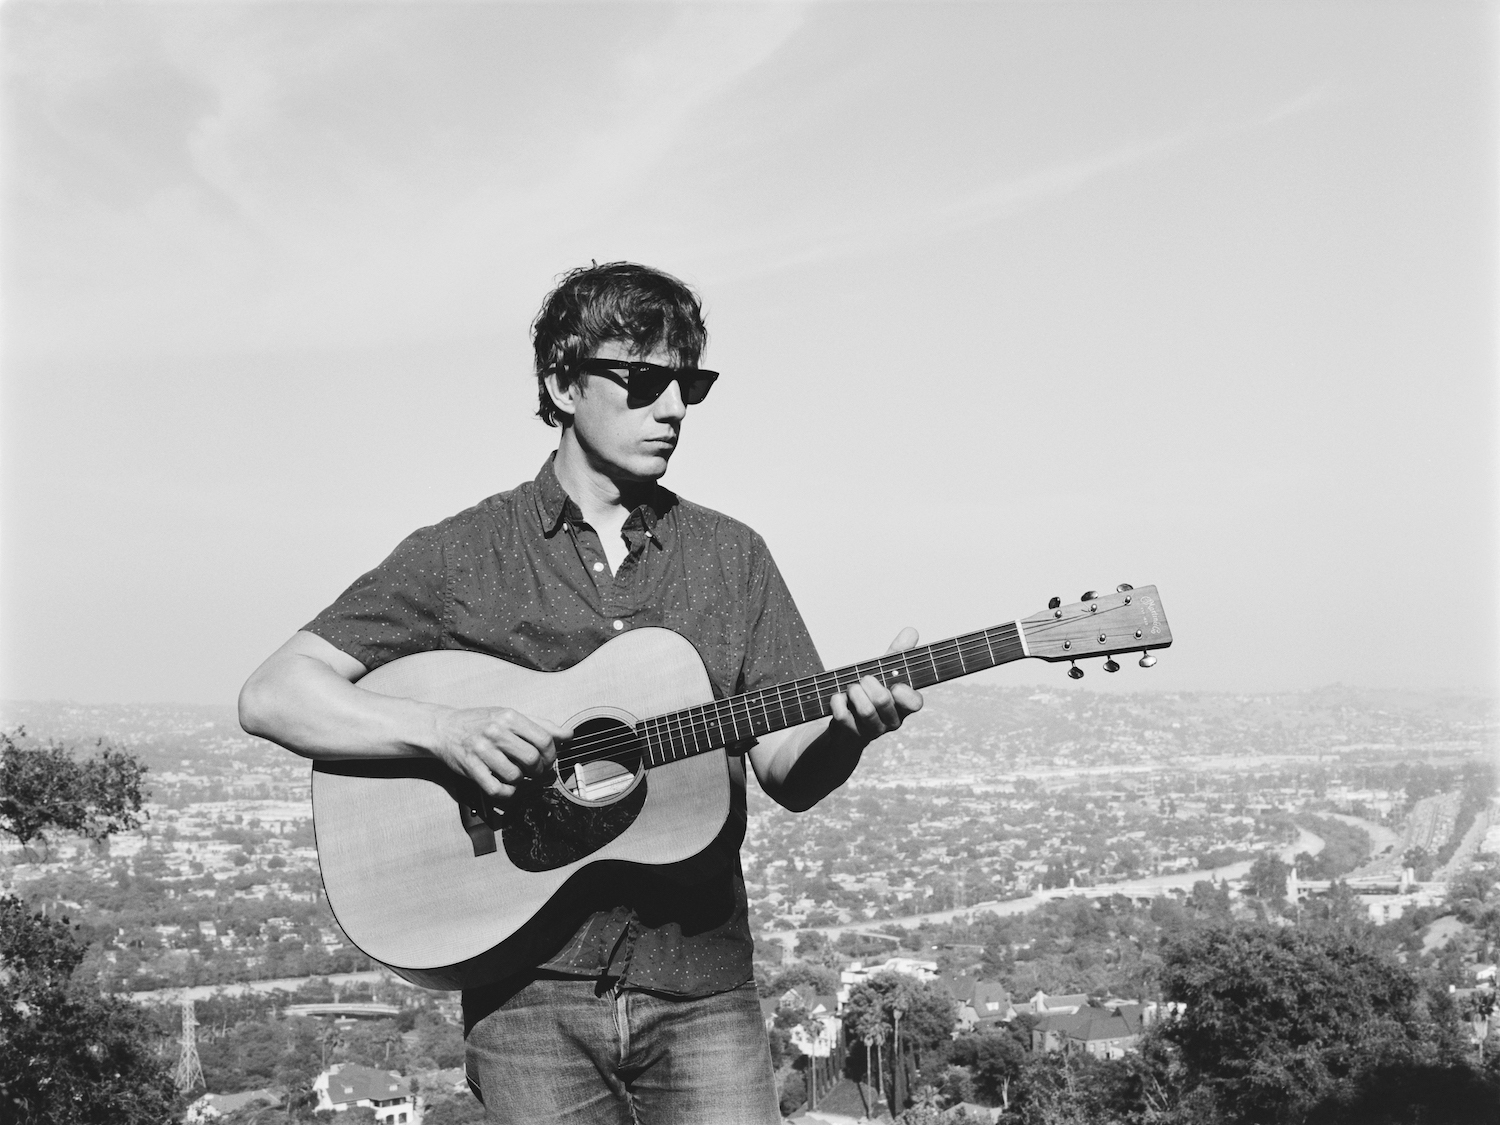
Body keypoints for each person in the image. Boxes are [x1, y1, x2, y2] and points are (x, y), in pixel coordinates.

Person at [238, 262, 922, 1124]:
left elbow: (788, 769)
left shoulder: (731, 555)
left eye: (689, 385)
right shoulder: (464, 555)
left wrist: (849, 732)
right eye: (643, 381)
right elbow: (272, 695)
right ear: (563, 384)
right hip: (527, 993)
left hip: (703, 986)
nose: (672, 407)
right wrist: (443, 731)